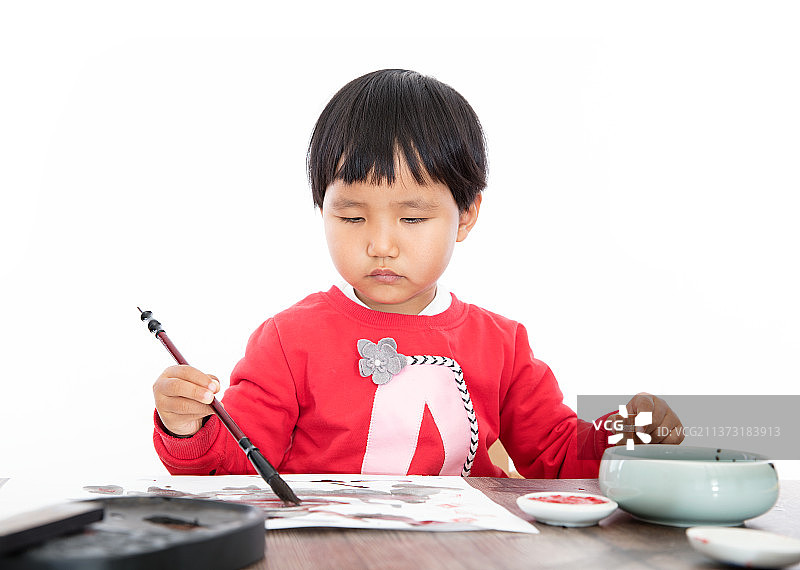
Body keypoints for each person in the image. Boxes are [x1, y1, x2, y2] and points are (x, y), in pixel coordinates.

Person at [152, 69, 683, 479]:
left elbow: (558, 457)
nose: (381, 244)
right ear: (321, 212)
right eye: (352, 216)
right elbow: (237, 468)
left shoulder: (502, 343)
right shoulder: (288, 341)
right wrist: (187, 425)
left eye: (412, 218)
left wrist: (629, 433)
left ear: (467, 215)